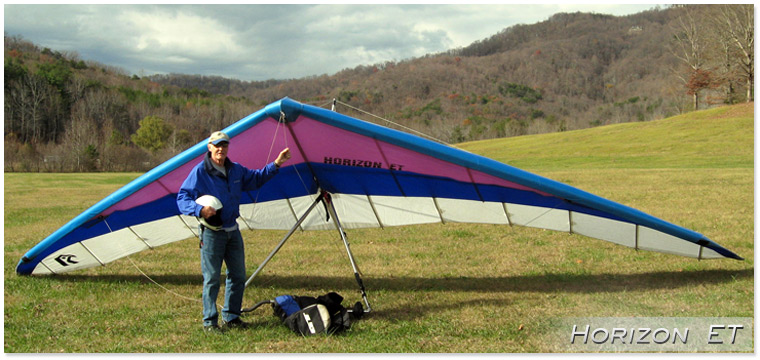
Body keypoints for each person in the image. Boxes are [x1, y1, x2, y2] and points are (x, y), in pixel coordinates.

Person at [177, 130, 291, 332]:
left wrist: (277, 164)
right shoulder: (200, 172)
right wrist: (200, 210)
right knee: (212, 278)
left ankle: (231, 317)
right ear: (210, 147)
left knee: (238, 275)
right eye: (217, 145)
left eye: (224, 145)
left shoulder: (235, 170)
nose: (221, 149)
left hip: (232, 230)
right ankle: (210, 323)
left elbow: (256, 179)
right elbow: (182, 198)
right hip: (212, 233)